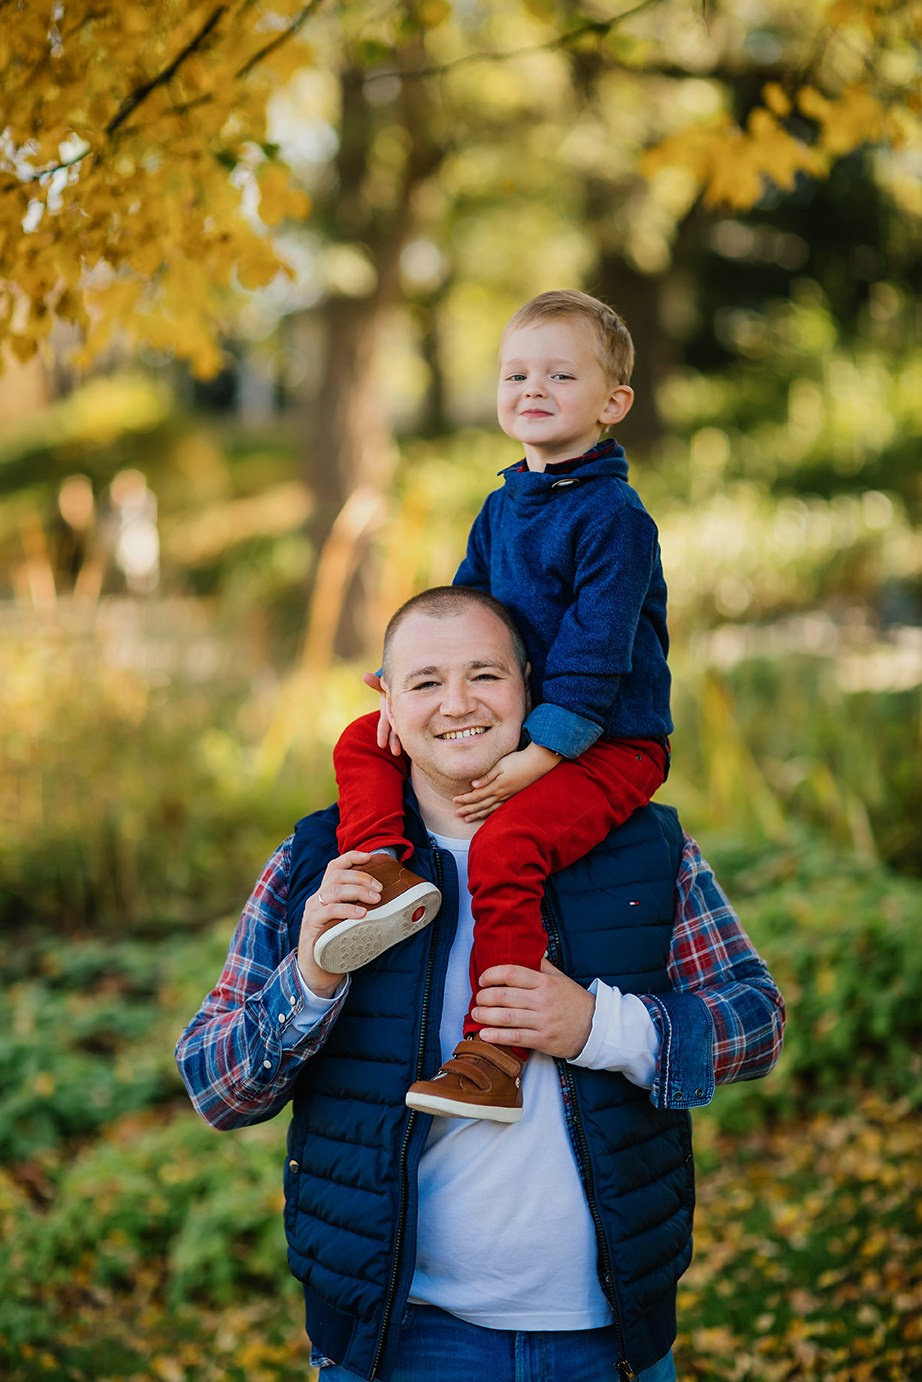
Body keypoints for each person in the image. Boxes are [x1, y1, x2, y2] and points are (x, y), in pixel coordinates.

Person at [175, 586, 785, 1382]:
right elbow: (216, 1088)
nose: (457, 703)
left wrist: (599, 1026)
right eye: (425, 682)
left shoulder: (643, 844)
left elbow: (757, 1023)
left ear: (530, 686)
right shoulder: (320, 864)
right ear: (385, 701)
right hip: (402, 1340)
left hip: (610, 1335)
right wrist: (313, 973)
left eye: (485, 676)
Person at [326, 290, 672, 1122]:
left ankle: (496, 1053)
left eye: (560, 374)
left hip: (608, 743)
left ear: (612, 403)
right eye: (517, 373)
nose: (533, 388)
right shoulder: (504, 504)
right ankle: (383, 869)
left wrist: (540, 756)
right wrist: (398, 686)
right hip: (526, 721)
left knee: (510, 842)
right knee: (362, 741)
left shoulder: (615, 518)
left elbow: (595, 655)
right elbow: (466, 611)